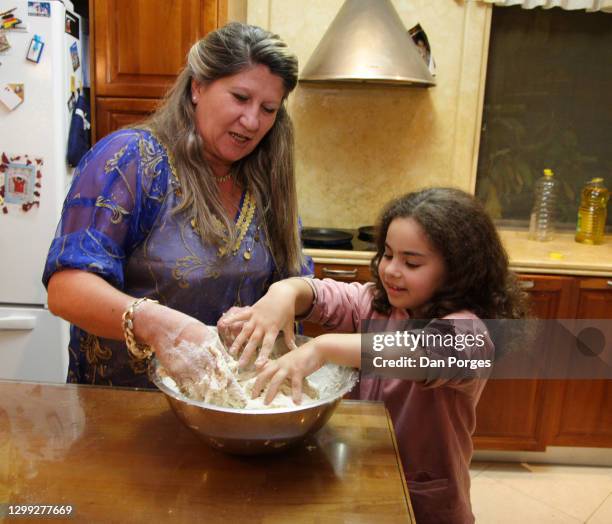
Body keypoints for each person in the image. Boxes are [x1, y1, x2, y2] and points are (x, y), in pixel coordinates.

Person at [220, 187, 528, 524]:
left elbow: (421, 352)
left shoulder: (471, 334)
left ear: (457, 269)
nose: (391, 270)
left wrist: (322, 348)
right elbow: (322, 294)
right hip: (361, 478)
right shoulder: (376, 304)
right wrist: (284, 292)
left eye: (411, 262)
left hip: (425, 500)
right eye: (387, 254)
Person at [43, 22, 311, 389]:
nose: (252, 121)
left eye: (268, 108)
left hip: (230, 407)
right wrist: (159, 324)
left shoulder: (264, 181)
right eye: (240, 97)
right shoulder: (133, 160)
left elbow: (297, 285)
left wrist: (279, 303)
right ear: (198, 87)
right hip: (127, 412)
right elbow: (66, 290)